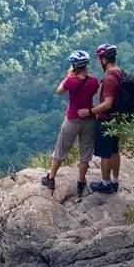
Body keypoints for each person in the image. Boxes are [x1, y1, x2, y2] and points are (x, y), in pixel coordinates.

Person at [43, 49, 99, 196]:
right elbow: (93, 91)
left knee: (61, 150)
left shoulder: (71, 81)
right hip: (89, 120)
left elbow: (59, 91)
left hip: (73, 120)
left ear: (74, 66)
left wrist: (68, 76)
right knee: (85, 153)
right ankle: (81, 182)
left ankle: (51, 178)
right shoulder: (93, 81)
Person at [84, 43, 126, 193]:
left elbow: (107, 104)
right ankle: (115, 181)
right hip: (117, 118)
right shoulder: (120, 73)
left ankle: (105, 183)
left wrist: (91, 111)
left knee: (105, 153)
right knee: (114, 150)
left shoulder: (109, 78)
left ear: (104, 59)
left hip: (106, 119)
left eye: (100, 58)